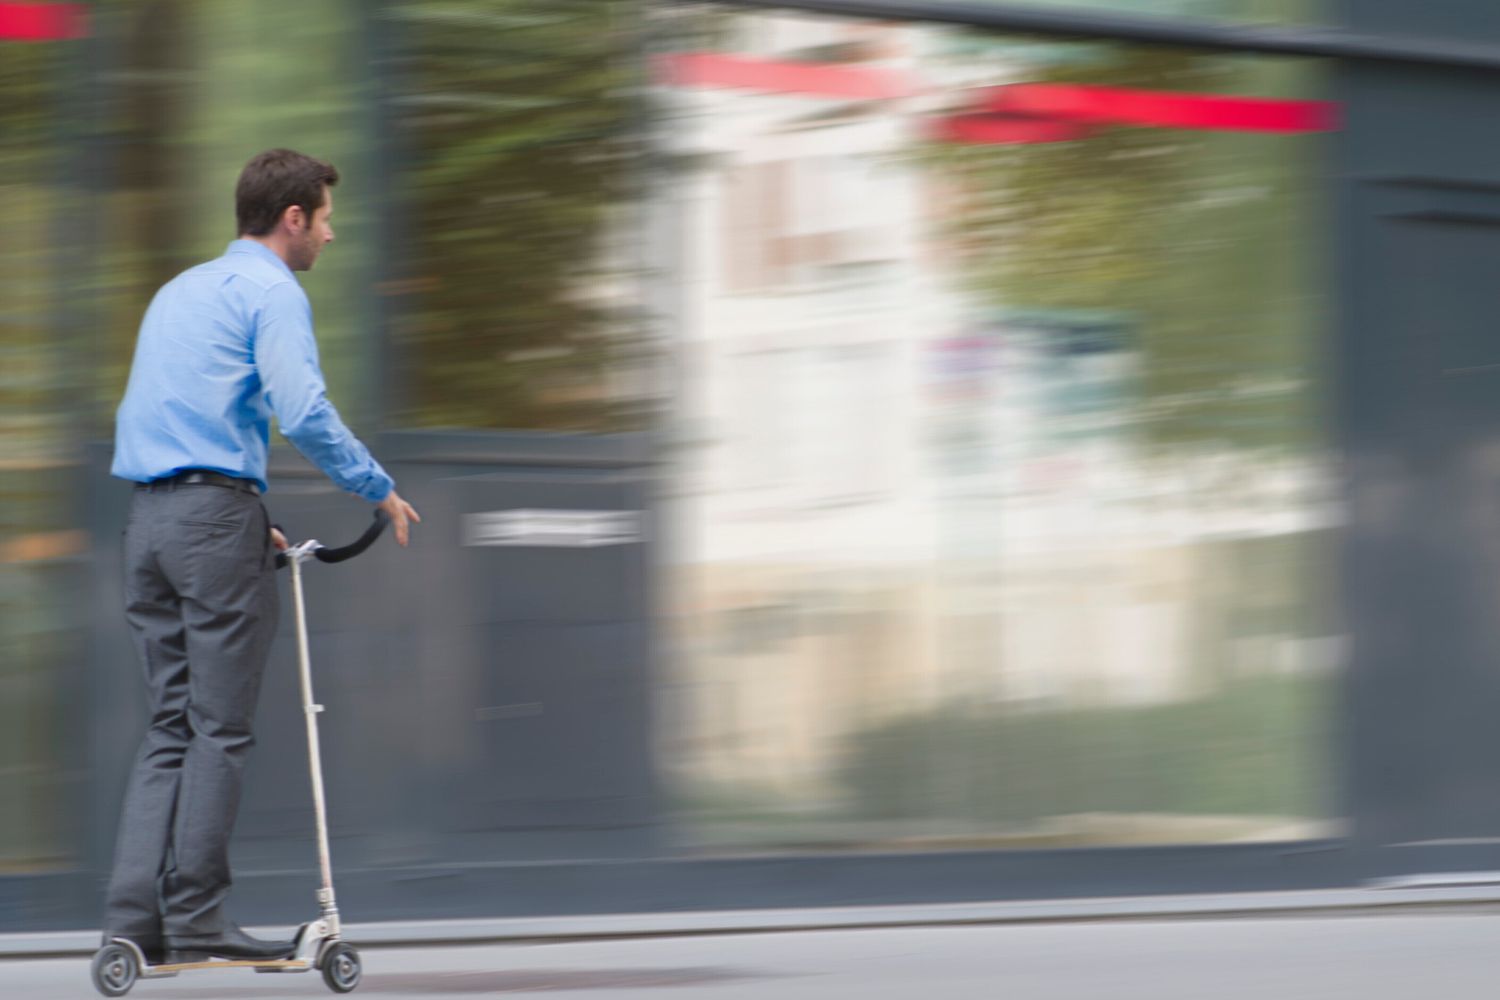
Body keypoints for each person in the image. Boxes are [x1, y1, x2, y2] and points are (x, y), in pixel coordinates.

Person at [102, 148, 421, 964]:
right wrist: (376, 488)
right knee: (220, 728)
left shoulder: (179, 291)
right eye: (324, 218)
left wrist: (248, 521)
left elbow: (174, 416)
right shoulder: (272, 292)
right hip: (211, 525)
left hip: (148, 525)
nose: (332, 233)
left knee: (169, 725)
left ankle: (132, 924)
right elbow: (302, 409)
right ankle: (197, 917)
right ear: (292, 220)